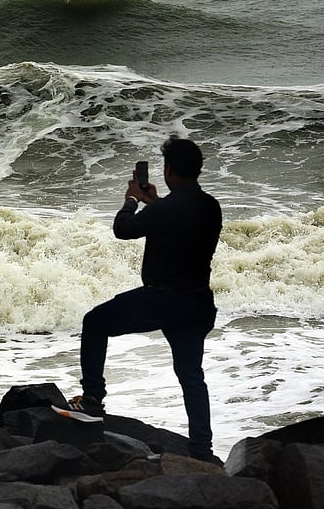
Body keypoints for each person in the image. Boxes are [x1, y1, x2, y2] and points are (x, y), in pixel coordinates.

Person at [52, 135, 222, 462]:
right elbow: (178, 223)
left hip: (161, 300)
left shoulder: (167, 209)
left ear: (169, 169)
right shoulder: (209, 205)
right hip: (197, 303)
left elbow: (123, 229)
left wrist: (132, 200)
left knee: (95, 322)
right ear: (196, 170)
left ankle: (92, 402)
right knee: (191, 376)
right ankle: (202, 450)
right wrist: (155, 203)